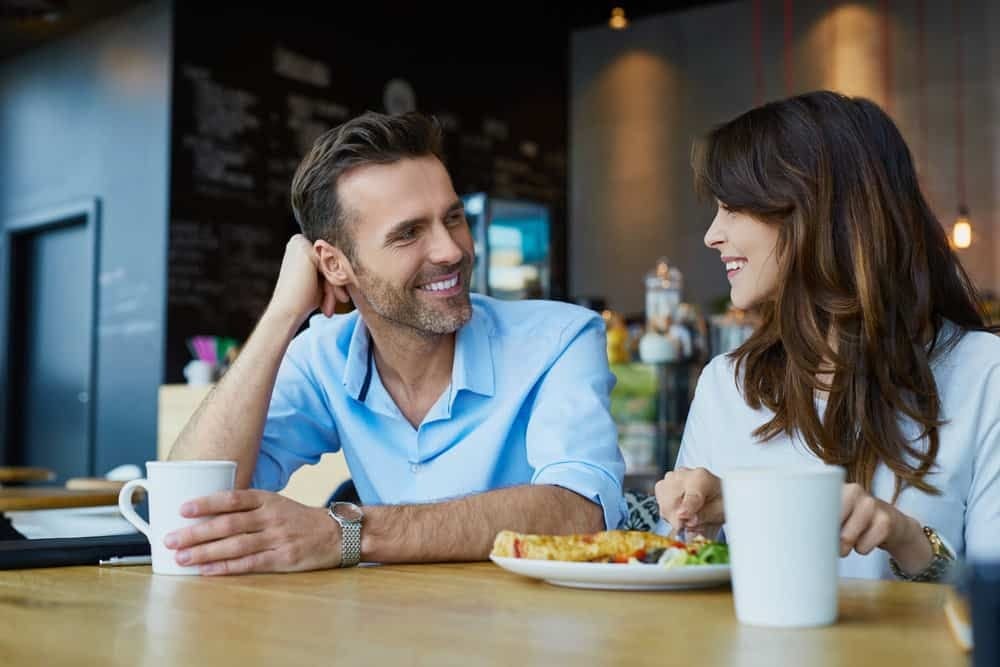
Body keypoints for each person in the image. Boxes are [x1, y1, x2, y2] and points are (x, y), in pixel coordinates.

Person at [167, 111, 625, 574]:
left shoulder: (562, 339)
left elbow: (582, 512)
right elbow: (192, 507)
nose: (451, 250)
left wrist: (348, 534)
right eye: (408, 233)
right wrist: (282, 315)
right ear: (334, 264)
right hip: (389, 630)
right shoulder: (324, 355)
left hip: (533, 633)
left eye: (453, 218)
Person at [656, 91, 1000, 581]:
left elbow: (992, 611)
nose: (713, 234)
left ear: (817, 210)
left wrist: (907, 539)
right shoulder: (727, 383)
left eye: (733, 207)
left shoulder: (986, 374)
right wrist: (696, 527)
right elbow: (678, 584)